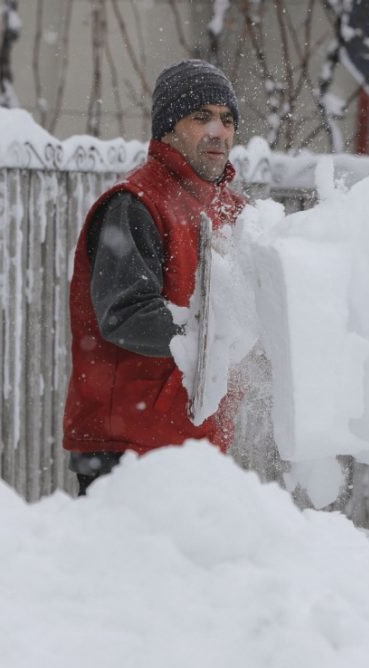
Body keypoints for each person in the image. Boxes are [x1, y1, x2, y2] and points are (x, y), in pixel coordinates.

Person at [63, 60, 246, 495]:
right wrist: (215, 334)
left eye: (227, 119)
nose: (218, 130)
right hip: (128, 448)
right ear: (167, 130)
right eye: (200, 117)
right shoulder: (136, 204)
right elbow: (125, 314)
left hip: (195, 443)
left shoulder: (231, 210)